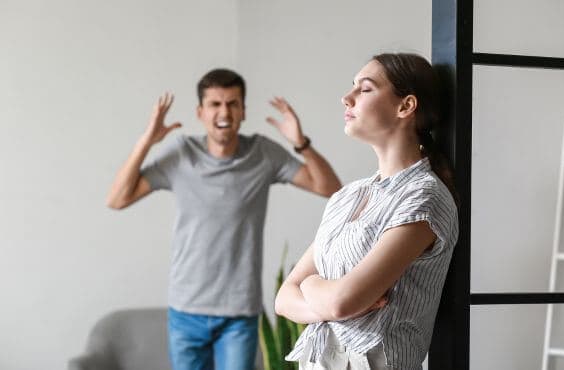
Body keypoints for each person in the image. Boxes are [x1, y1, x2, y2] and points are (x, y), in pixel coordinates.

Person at [106, 68, 342, 370]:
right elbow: (117, 199)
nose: (224, 112)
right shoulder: (181, 154)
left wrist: (302, 144)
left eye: (232, 103)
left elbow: (329, 188)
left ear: (243, 111)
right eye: (215, 104)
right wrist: (146, 141)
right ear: (200, 112)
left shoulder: (263, 153)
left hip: (239, 312)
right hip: (186, 309)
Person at [274, 53, 459, 370]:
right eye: (353, 87)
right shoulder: (348, 196)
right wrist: (328, 301)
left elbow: (340, 300)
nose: (347, 98)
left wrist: (312, 286)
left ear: (405, 106)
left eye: (366, 88)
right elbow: (283, 299)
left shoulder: (423, 196)